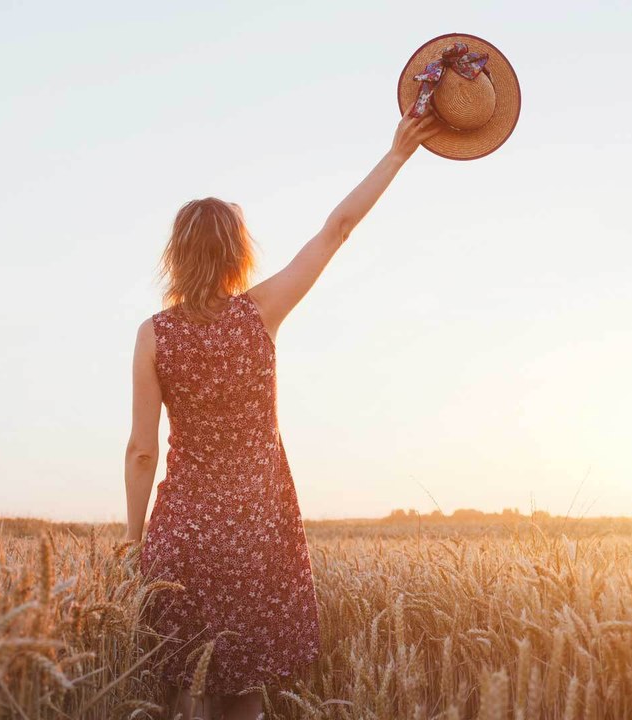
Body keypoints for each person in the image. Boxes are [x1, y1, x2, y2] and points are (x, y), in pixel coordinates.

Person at [121, 107, 441, 720]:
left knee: (188, 689)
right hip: (258, 531)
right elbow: (337, 228)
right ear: (238, 254)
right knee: (245, 690)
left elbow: (142, 450)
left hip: (184, 532)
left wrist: (134, 541)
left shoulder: (153, 335)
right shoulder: (261, 311)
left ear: (175, 257)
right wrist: (397, 154)